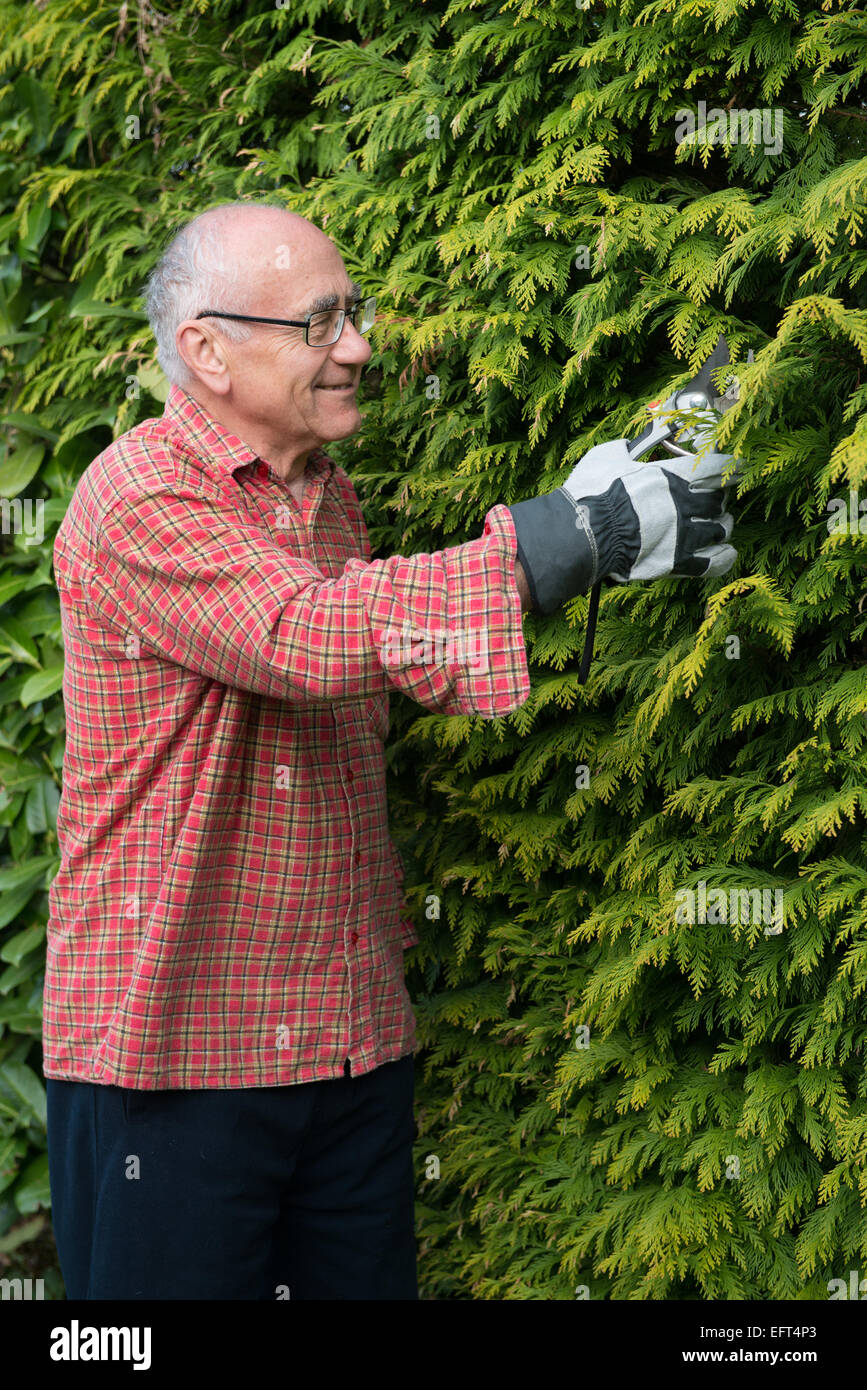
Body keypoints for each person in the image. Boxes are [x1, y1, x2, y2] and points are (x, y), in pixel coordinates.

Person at [44, 200, 737, 1300]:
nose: (359, 346)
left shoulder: (325, 495)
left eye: (352, 313)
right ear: (207, 351)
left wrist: (602, 499)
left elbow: (368, 644)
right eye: (320, 323)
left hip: (347, 1038)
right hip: (177, 1054)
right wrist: (567, 534)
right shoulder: (137, 493)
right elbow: (301, 634)